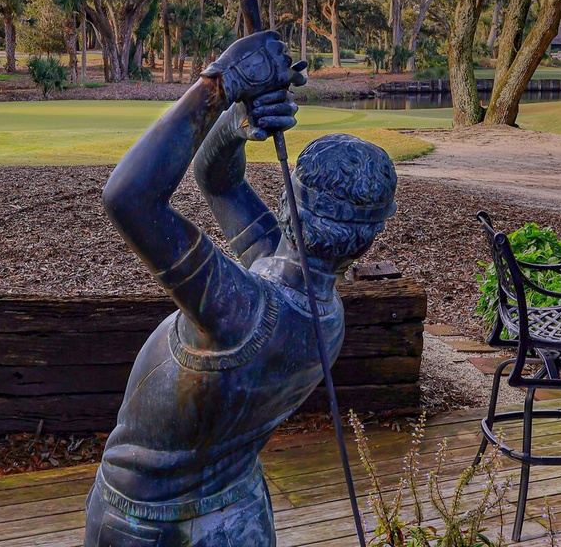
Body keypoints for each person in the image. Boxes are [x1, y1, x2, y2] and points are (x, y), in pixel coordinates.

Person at [88, 30, 397, 546]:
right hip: (238, 507)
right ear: (365, 240)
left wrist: (219, 84)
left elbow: (129, 199)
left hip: (150, 522)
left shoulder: (245, 314)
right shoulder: (319, 311)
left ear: (286, 203)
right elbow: (220, 183)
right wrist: (237, 123)